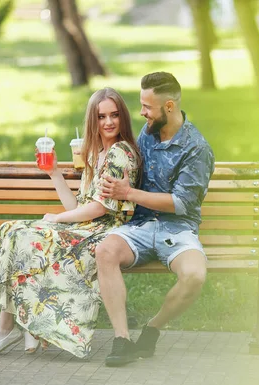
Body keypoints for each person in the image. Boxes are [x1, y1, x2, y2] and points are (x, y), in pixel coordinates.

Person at [0, 87, 141, 358]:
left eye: (114, 115)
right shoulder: (96, 153)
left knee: (22, 236)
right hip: (85, 226)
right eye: (101, 117)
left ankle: (6, 329)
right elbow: (77, 206)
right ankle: (22, 322)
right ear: (93, 120)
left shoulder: (120, 153)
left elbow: (99, 209)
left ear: (123, 117)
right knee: (11, 230)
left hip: (106, 232)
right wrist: (53, 173)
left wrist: (58, 219)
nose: (109, 122)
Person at [97, 72, 215, 367]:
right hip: (139, 226)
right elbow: (128, 166)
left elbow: (181, 203)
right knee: (105, 251)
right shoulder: (147, 133)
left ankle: (152, 328)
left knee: (195, 276)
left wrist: (129, 192)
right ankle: (122, 340)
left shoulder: (196, 148)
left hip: (177, 229)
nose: (142, 113)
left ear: (170, 107)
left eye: (148, 107)